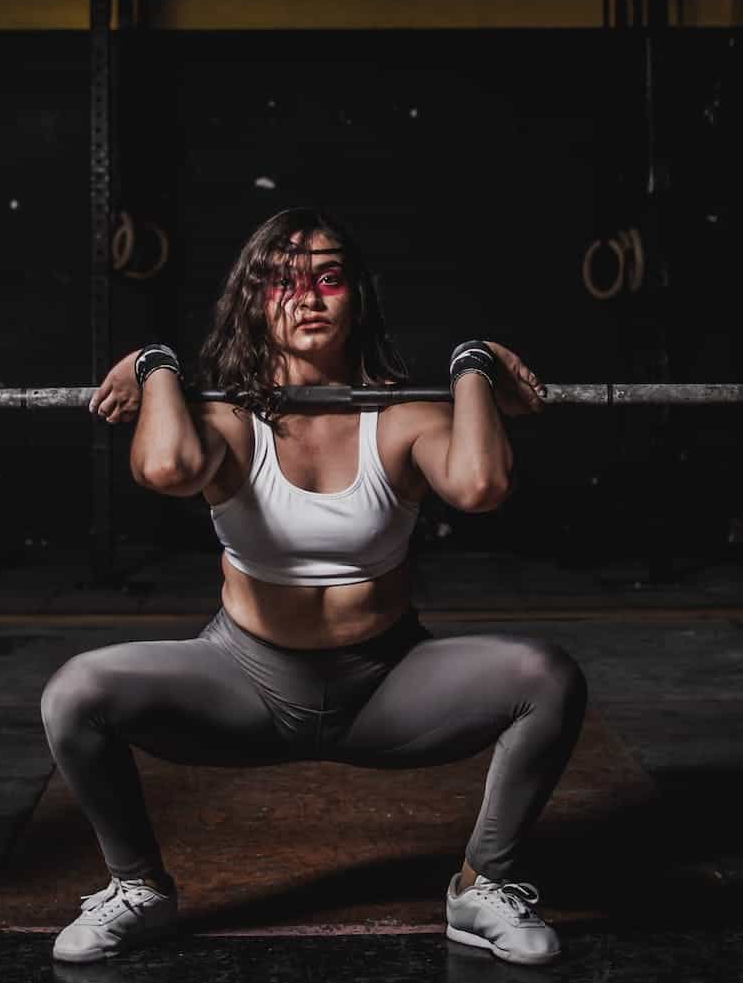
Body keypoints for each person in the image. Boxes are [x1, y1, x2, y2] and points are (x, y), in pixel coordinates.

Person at [42, 206, 588, 965]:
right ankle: (139, 886)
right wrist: (155, 363)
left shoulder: (401, 418)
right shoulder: (231, 421)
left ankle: (481, 886)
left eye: (327, 278)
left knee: (548, 678)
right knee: (75, 693)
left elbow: (482, 483)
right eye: (280, 281)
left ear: (355, 295)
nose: (306, 296)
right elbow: (166, 467)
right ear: (253, 301)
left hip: (388, 685)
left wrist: (472, 364)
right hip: (242, 684)